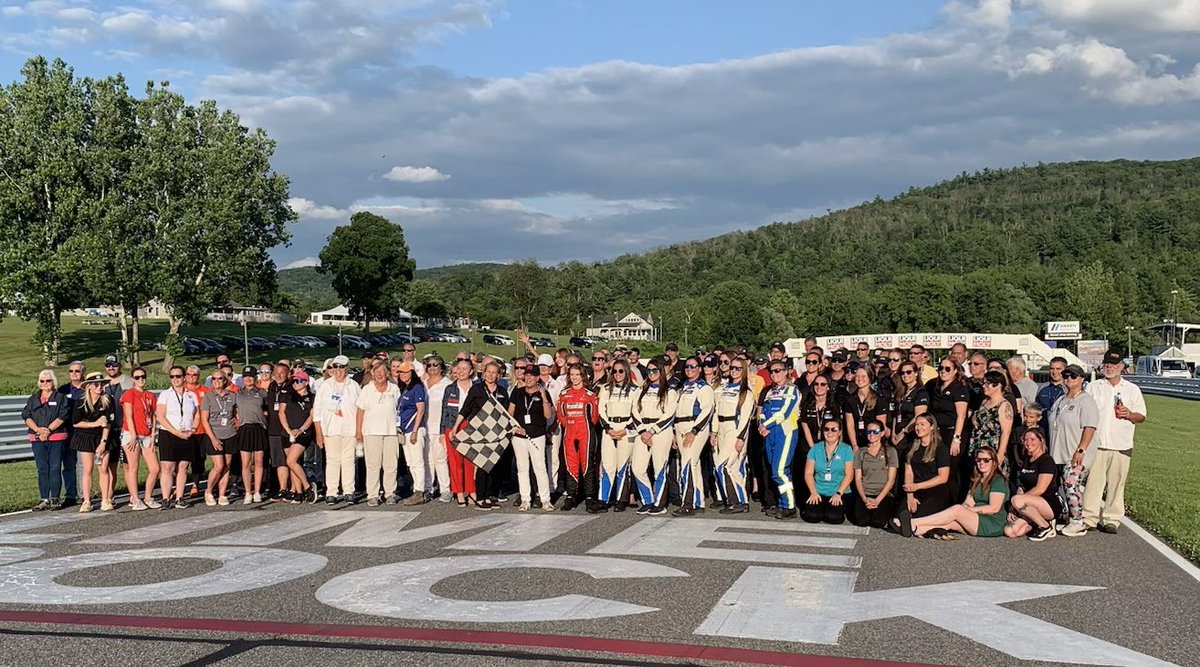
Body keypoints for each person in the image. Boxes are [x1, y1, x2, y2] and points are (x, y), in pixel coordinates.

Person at [1072, 349, 1146, 536]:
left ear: (1122, 366)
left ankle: (1112, 519)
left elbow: (1142, 416)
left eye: (1113, 364)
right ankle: (1089, 518)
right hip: (1097, 443)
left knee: (1116, 483)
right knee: (1093, 484)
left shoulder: (1132, 389)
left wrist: (1129, 414)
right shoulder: (1094, 387)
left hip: (1121, 444)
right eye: (1107, 363)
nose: (1109, 367)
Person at [910, 446, 1008, 539]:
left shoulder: (998, 480)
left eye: (986, 460)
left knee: (957, 510)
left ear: (994, 462)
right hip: (977, 518)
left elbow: (993, 508)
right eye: (978, 460)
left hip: (992, 523)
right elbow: (968, 502)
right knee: (952, 523)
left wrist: (967, 511)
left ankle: (913, 522)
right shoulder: (977, 480)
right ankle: (915, 529)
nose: (981, 463)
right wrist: (965, 509)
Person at [455, 360, 512, 510]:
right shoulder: (477, 389)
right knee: (482, 465)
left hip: (496, 434)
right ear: (483, 373)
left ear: (499, 375)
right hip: (479, 433)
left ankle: (489, 495)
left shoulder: (502, 391)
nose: (491, 375)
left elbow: (506, 414)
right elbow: (465, 409)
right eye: (489, 372)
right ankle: (480, 497)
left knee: (493, 466)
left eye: (494, 372)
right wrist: (456, 427)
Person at [1049, 364, 1098, 534]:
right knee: (1062, 486)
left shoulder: (1086, 401)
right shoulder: (1061, 400)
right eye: (1066, 375)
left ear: (1082, 379)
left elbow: (1090, 427)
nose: (1069, 379)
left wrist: (1082, 449)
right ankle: (1068, 515)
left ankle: (1078, 521)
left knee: (1071, 483)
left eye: (1073, 376)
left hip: (1076, 452)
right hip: (1058, 451)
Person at [631, 361, 679, 516]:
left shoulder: (670, 391)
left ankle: (659, 503)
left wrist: (652, 431)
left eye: (655, 370)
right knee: (637, 468)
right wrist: (643, 431)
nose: (651, 374)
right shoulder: (641, 390)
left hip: (660, 432)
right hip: (642, 431)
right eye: (649, 371)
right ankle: (648, 500)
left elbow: (669, 414)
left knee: (659, 468)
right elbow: (634, 411)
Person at [312, 354, 360, 504]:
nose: (338, 370)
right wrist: (319, 434)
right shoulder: (326, 386)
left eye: (341, 367)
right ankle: (331, 491)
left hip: (349, 430)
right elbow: (317, 412)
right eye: (335, 367)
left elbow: (360, 410)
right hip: (330, 430)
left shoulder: (354, 386)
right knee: (332, 461)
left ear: (347, 369)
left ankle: (349, 491)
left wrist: (359, 431)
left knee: (348, 461)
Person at [711, 358, 756, 514]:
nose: (734, 371)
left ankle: (734, 501)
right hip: (721, 427)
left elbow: (746, 416)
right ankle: (742, 500)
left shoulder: (746, 392)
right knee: (733, 468)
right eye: (732, 368)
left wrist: (741, 437)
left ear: (744, 370)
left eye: (738, 368)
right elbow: (717, 410)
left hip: (734, 429)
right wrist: (714, 432)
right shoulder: (725, 387)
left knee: (722, 466)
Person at [671, 356, 714, 517]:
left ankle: (687, 503)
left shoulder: (704, 388)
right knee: (692, 465)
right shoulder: (682, 387)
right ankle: (698, 501)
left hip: (695, 427)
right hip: (680, 426)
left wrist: (694, 431)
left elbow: (707, 410)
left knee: (687, 464)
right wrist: (675, 433)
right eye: (687, 367)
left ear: (700, 368)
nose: (690, 369)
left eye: (693, 366)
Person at [508, 363, 555, 512]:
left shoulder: (543, 393)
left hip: (537, 435)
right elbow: (509, 414)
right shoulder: (517, 392)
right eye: (527, 375)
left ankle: (545, 499)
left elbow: (548, 415)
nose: (528, 378)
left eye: (532, 376)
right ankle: (525, 499)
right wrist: (515, 428)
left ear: (537, 377)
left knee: (539, 467)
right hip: (519, 435)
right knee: (522, 468)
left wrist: (543, 396)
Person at [22, 370, 71, 511]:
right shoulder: (33, 399)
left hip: (56, 437)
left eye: (48, 381)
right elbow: (26, 415)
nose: (45, 384)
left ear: (53, 382)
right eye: (42, 381)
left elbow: (63, 415)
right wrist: (38, 430)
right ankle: (44, 498)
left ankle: (55, 498)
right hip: (37, 438)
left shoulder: (61, 397)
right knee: (42, 468)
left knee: (55, 467)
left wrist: (48, 430)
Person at [356, 361, 402, 507]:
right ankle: (373, 494)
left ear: (387, 373)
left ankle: (389, 493)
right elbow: (360, 411)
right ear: (372, 374)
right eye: (377, 372)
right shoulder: (367, 390)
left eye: (382, 371)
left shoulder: (394, 389)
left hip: (391, 432)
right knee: (373, 465)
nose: (380, 374)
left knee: (391, 465)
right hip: (371, 432)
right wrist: (358, 431)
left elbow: (399, 409)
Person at [759, 361, 801, 519]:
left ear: (786, 372)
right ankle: (783, 503)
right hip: (769, 433)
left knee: (780, 471)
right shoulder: (770, 391)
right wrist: (761, 423)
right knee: (777, 470)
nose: (774, 374)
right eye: (771, 371)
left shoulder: (792, 389)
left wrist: (765, 425)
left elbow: (784, 413)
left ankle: (789, 506)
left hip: (785, 432)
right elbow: (763, 411)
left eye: (778, 371)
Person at [69, 373, 117, 513]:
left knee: (103, 468)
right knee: (88, 468)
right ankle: (86, 501)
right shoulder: (81, 401)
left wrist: (103, 442)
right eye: (96, 384)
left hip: (103, 436)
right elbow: (76, 423)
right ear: (89, 386)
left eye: (101, 384)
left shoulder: (108, 400)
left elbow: (108, 423)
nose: (99, 387)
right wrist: (94, 423)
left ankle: (105, 499)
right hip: (86, 436)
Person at [156, 365, 200, 510]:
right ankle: (165, 498)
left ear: (184, 377)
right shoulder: (165, 394)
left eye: (178, 376)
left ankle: (180, 497)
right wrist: (175, 432)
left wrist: (193, 429)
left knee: (183, 466)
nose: (175, 379)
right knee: (168, 467)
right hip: (169, 433)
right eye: (172, 376)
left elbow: (197, 414)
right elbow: (160, 416)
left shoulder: (191, 395)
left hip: (187, 433)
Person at [557, 363, 599, 512]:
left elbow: (594, 417)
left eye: (577, 374)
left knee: (587, 465)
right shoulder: (564, 394)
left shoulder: (590, 394)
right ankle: (571, 496)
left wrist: (583, 427)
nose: (574, 378)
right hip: (569, 433)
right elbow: (561, 415)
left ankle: (589, 497)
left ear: (583, 376)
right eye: (572, 375)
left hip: (585, 433)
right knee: (570, 465)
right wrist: (569, 426)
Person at [1004, 429, 1061, 541]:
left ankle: (1045, 526)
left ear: (1041, 441)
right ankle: (1037, 523)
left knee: (1017, 500)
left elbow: (1040, 489)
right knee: (1010, 531)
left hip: (1048, 503)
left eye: (1032, 439)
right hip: (1029, 505)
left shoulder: (1046, 461)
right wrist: (1013, 508)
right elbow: (1022, 487)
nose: (1028, 443)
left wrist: (1017, 501)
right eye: (1025, 440)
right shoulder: (1027, 460)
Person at [898, 414, 952, 531]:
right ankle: (907, 525)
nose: (918, 428)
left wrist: (917, 486)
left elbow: (943, 477)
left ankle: (912, 525)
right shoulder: (912, 447)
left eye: (922, 424)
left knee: (921, 514)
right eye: (917, 425)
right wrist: (910, 495)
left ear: (932, 427)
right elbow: (908, 472)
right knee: (900, 513)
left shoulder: (940, 448)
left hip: (934, 489)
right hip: (914, 488)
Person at [597, 359, 637, 512]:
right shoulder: (605, 388)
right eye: (614, 371)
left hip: (626, 429)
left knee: (623, 466)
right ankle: (603, 499)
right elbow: (601, 410)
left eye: (621, 371)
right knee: (608, 466)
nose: (617, 374)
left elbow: (637, 413)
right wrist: (608, 428)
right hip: (609, 429)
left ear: (626, 371)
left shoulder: (635, 390)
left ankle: (621, 499)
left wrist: (625, 429)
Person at [118, 368, 160, 510]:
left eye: (143, 377)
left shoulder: (150, 395)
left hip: (147, 434)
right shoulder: (129, 394)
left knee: (155, 468)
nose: (140, 380)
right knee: (133, 466)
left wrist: (153, 434)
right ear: (132, 379)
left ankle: (148, 497)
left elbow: (153, 415)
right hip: (132, 433)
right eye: (137, 377)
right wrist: (134, 435)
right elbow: (128, 415)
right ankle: (135, 499)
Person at [802, 419, 855, 524]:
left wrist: (839, 493)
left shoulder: (846, 449)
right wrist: (813, 492)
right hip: (818, 490)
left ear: (839, 432)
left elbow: (849, 474)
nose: (830, 432)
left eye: (834, 430)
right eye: (826, 429)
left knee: (834, 518)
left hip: (838, 491)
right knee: (812, 517)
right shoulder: (815, 449)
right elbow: (808, 473)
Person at [967, 370, 1013, 488]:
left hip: (993, 449)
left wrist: (1000, 455)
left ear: (997, 385)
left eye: (987, 383)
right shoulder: (984, 402)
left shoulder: (1004, 405)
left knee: (993, 484)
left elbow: (1005, 432)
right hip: (978, 448)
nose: (983, 386)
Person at [442, 359, 478, 507]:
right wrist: (442, 431)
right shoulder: (450, 389)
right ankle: (458, 492)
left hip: (471, 426)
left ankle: (471, 490)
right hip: (452, 426)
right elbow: (444, 411)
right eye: (459, 368)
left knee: (470, 460)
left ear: (471, 371)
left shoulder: (477, 388)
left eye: (465, 369)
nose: (462, 371)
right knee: (455, 461)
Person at [200, 370, 239, 506]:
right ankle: (209, 491)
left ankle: (222, 494)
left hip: (230, 433)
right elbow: (204, 420)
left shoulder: (233, 396)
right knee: (218, 465)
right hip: (214, 434)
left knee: (227, 465)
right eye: (214, 379)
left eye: (220, 378)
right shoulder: (208, 397)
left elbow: (235, 413)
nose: (217, 381)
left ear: (225, 381)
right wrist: (213, 438)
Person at [233, 369, 271, 504]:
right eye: (246, 377)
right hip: (244, 428)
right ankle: (248, 492)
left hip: (259, 428)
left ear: (255, 378)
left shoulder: (262, 393)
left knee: (259, 462)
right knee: (246, 463)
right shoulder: (238, 393)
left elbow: (268, 409)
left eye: (251, 377)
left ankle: (257, 491)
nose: (248, 379)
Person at [851, 420, 897, 528]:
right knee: (862, 521)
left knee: (878, 522)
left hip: (882, 494)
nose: (871, 434)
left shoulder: (890, 451)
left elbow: (891, 480)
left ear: (882, 433)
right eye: (869, 431)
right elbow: (858, 478)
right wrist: (864, 498)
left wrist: (877, 500)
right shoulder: (861, 452)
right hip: (865, 493)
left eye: (875, 431)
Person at [395, 362, 428, 505]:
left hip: (414, 430)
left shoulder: (417, 388)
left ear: (412, 373)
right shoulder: (405, 389)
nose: (403, 375)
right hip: (404, 430)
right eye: (401, 372)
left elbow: (420, 410)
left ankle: (420, 491)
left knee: (417, 461)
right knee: (411, 462)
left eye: (406, 372)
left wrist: (415, 431)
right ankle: (417, 488)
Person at [798, 374, 841, 483]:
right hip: (809, 445)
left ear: (828, 387)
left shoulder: (833, 406)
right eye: (816, 384)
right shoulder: (807, 404)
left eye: (823, 384)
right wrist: (813, 448)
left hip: (828, 445)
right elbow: (805, 426)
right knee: (808, 475)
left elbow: (837, 428)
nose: (819, 386)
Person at [422, 355, 453, 503]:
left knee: (440, 459)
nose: (432, 368)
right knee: (427, 459)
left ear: (441, 367)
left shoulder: (447, 384)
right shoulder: (422, 383)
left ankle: (445, 489)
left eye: (435, 365)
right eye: (429, 365)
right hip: (423, 427)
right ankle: (428, 488)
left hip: (439, 428)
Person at [57, 360, 86, 508]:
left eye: (77, 371)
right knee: (68, 465)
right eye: (71, 371)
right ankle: (70, 495)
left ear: (83, 373)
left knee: (83, 465)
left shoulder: (88, 389)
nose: (74, 374)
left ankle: (83, 494)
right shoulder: (62, 390)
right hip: (66, 432)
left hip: (82, 433)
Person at [889, 360, 929, 462]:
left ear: (916, 373)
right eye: (902, 373)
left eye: (909, 372)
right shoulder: (901, 392)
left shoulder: (920, 392)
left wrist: (902, 433)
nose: (905, 375)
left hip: (910, 435)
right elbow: (895, 414)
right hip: (897, 435)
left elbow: (919, 416)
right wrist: (893, 433)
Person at [844, 367, 887, 450]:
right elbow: (850, 424)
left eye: (863, 376)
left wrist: (874, 445)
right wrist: (854, 445)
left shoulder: (878, 399)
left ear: (870, 378)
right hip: (855, 440)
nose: (860, 379)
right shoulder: (850, 399)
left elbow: (880, 425)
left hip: (872, 441)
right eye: (857, 376)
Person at [1035, 357, 1067, 434]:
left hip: (1061, 431)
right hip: (1043, 430)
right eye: (1052, 368)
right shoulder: (1042, 387)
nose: (1054, 372)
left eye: (1058, 369)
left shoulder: (1068, 389)